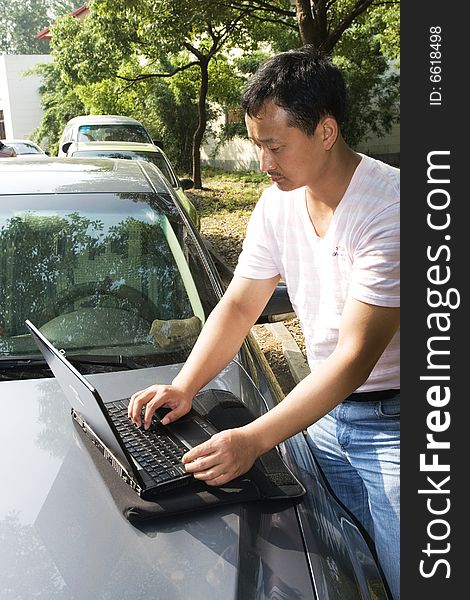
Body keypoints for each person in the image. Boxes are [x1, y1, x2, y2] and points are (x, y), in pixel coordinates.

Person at [128, 46, 400, 599]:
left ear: (326, 132)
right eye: (257, 145)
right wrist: (185, 385)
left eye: (274, 146)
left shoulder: (392, 210)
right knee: (336, 571)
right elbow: (238, 305)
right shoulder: (279, 202)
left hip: (397, 426)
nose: (263, 163)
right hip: (322, 418)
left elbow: (353, 361)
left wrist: (252, 439)